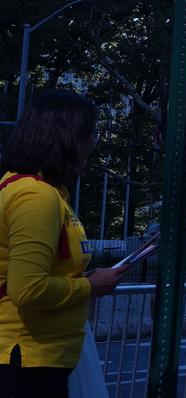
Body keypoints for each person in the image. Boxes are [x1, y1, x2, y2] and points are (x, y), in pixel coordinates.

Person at [0, 90, 127, 398]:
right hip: (26, 362)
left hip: (34, 360)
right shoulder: (36, 197)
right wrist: (90, 286)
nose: (93, 143)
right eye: (90, 133)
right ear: (68, 138)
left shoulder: (39, 191)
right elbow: (28, 289)